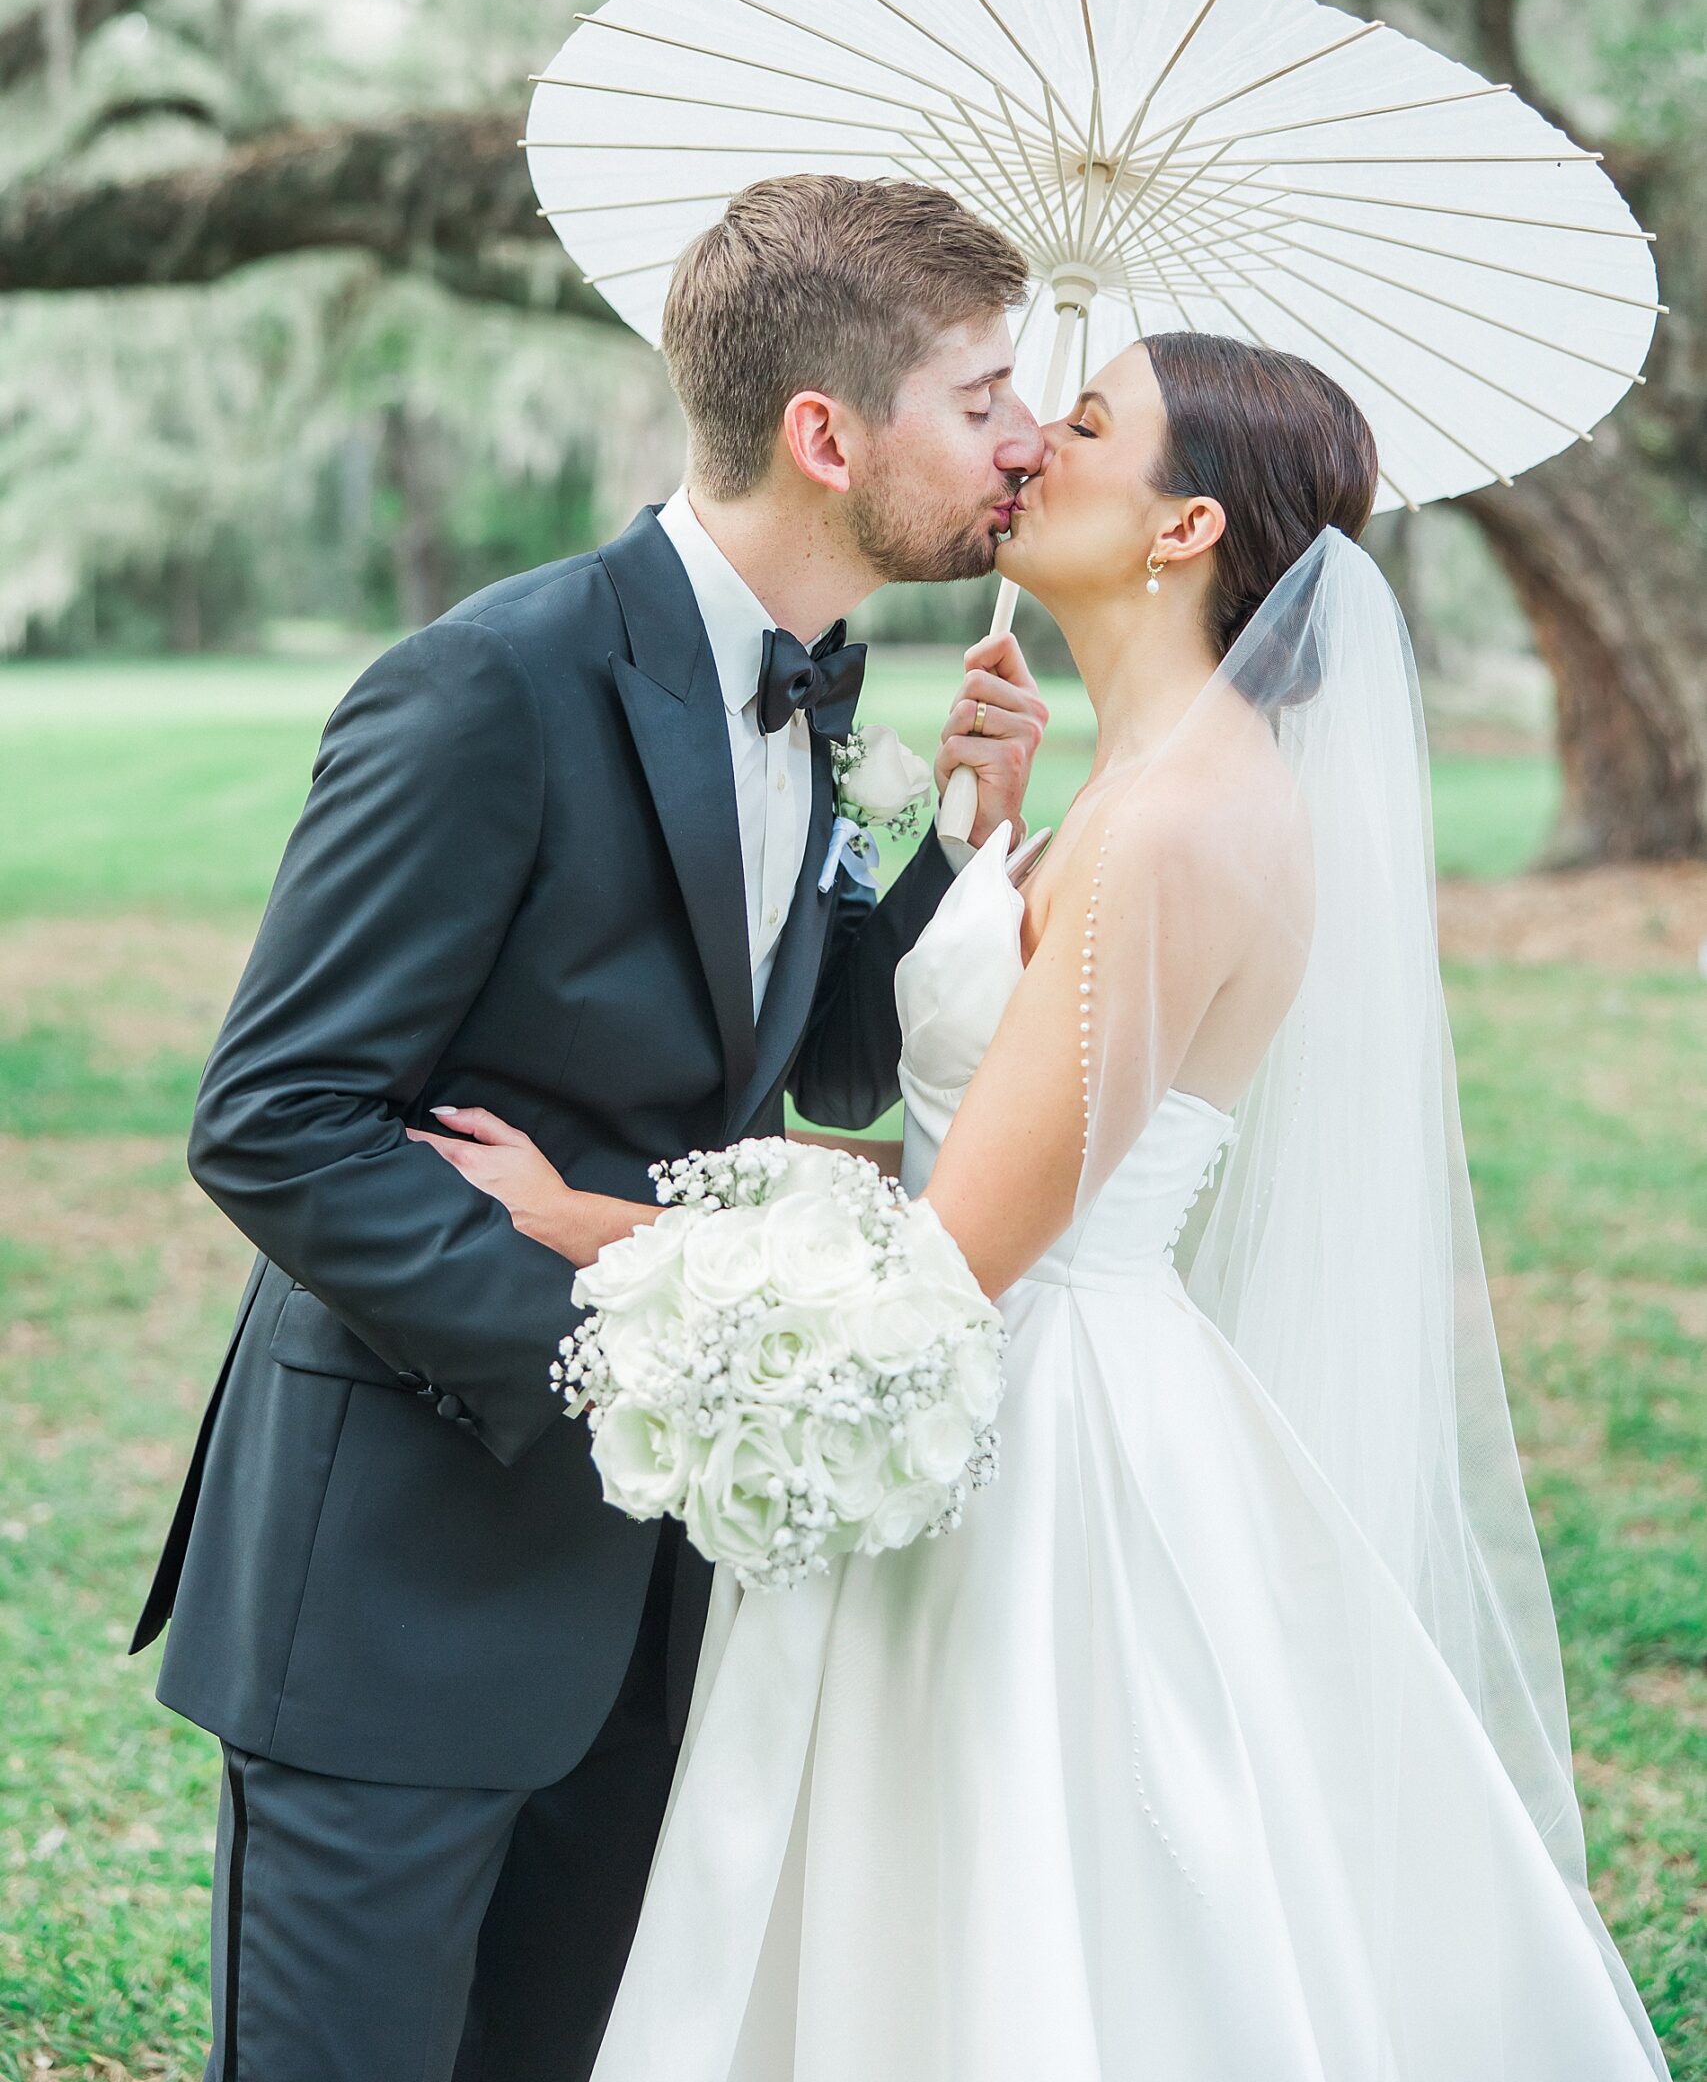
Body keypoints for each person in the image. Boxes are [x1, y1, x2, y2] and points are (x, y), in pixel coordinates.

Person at [462, 331, 1671, 2079]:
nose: (1029, 445)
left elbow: (953, 1256)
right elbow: (982, 1146)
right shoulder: (1141, 791)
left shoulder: (1172, 826)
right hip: (1047, 1362)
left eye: (1084, 424)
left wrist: (583, 1224)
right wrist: (977, 847)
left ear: (1181, 531)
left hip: (1033, 1431)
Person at [130, 173, 1055, 2082]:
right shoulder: (490, 686)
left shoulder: (829, 682)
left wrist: (948, 850)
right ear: (826, 434)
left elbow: (830, 1070)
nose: (1028, 439)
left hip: (654, 1605)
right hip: (396, 1578)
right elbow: (279, 1121)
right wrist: (621, 1350)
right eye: (983, 396)